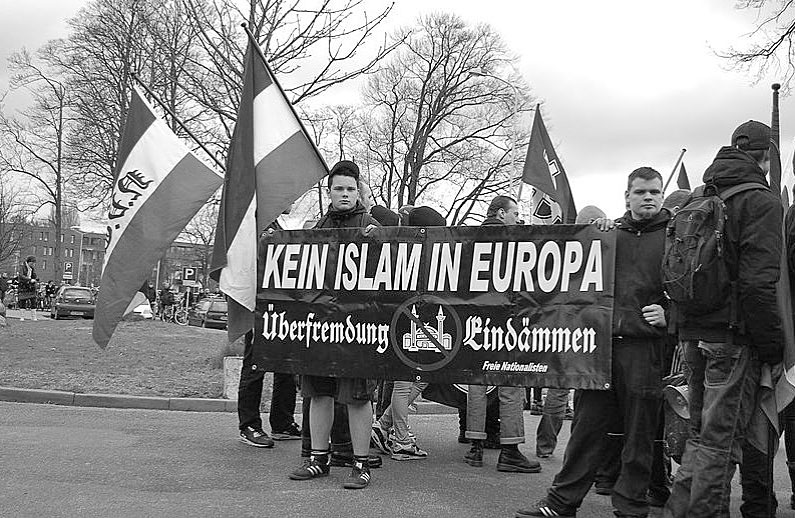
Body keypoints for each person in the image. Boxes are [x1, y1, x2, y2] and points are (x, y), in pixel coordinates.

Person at [518, 167, 670, 518]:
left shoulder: (676, 237)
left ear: (661, 196)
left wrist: (670, 316)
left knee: (639, 436)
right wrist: (591, 234)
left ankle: (631, 508)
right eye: (641, 192)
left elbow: (693, 290)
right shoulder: (608, 235)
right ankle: (561, 503)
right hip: (599, 350)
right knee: (586, 429)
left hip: (645, 350)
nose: (648, 197)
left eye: (654, 192)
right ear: (627, 196)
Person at [663, 120, 783, 518]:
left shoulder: (703, 195)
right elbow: (757, 286)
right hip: (733, 339)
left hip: (693, 334)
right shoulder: (760, 202)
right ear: (765, 156)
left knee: (698, 437)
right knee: (721, 442)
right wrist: (773, 345)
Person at [288, 160, 380, 489]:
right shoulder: (317, 227)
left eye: (350, 189)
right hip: (320, 326)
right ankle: (317, 459)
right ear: (329, 192)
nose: (344, 194)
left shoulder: (372, 226)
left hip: (357, 327)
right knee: (319, 393)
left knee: (357, 397)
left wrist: (379, 243)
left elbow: (393, 271)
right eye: (338, 188)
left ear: (359, 192)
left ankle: (360, 464)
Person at [464, 195, 541, 474]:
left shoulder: (469, 240)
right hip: (506, 321)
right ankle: (510, 450)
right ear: (499, 214)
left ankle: (475, 446)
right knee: (511, 382)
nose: (518, 219)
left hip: (476, 322)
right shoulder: (514, 242)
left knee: (477, 382)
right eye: (515, 213)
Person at [370, 206, 446, 461]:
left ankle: (383, 426)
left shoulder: (426, 250)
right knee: (404, 382)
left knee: (423, 377)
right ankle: (401, 441)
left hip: (418, 322)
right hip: (406, 322)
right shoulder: (405, 250)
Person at [536, 206, 606, 460]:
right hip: (588, 327)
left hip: (562, 326)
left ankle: (545, 446)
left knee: (560, 389)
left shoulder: (559, 249)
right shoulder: (600, 250)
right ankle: (578, 453)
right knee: (586, 392)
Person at [238, 208, 301, 446]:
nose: (293, 199)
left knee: (286, 365)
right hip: (258, 307)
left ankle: (282, 423)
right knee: (255, 365)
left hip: (281, 308)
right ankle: (249, 425)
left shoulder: (274, 224)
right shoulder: (255, 223)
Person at [17, 255, 39, 321]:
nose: (33, 264)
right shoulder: (22, 267)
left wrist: (35, 278)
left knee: (33, 301)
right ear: (29, 262)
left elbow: (34, 276)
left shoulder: (32, 268)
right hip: (23, 286)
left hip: (31, 287)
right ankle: (22, 317)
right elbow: (21, 276)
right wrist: (29, 280)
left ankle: (34, 317)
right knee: (23, 301)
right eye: (32, 263)